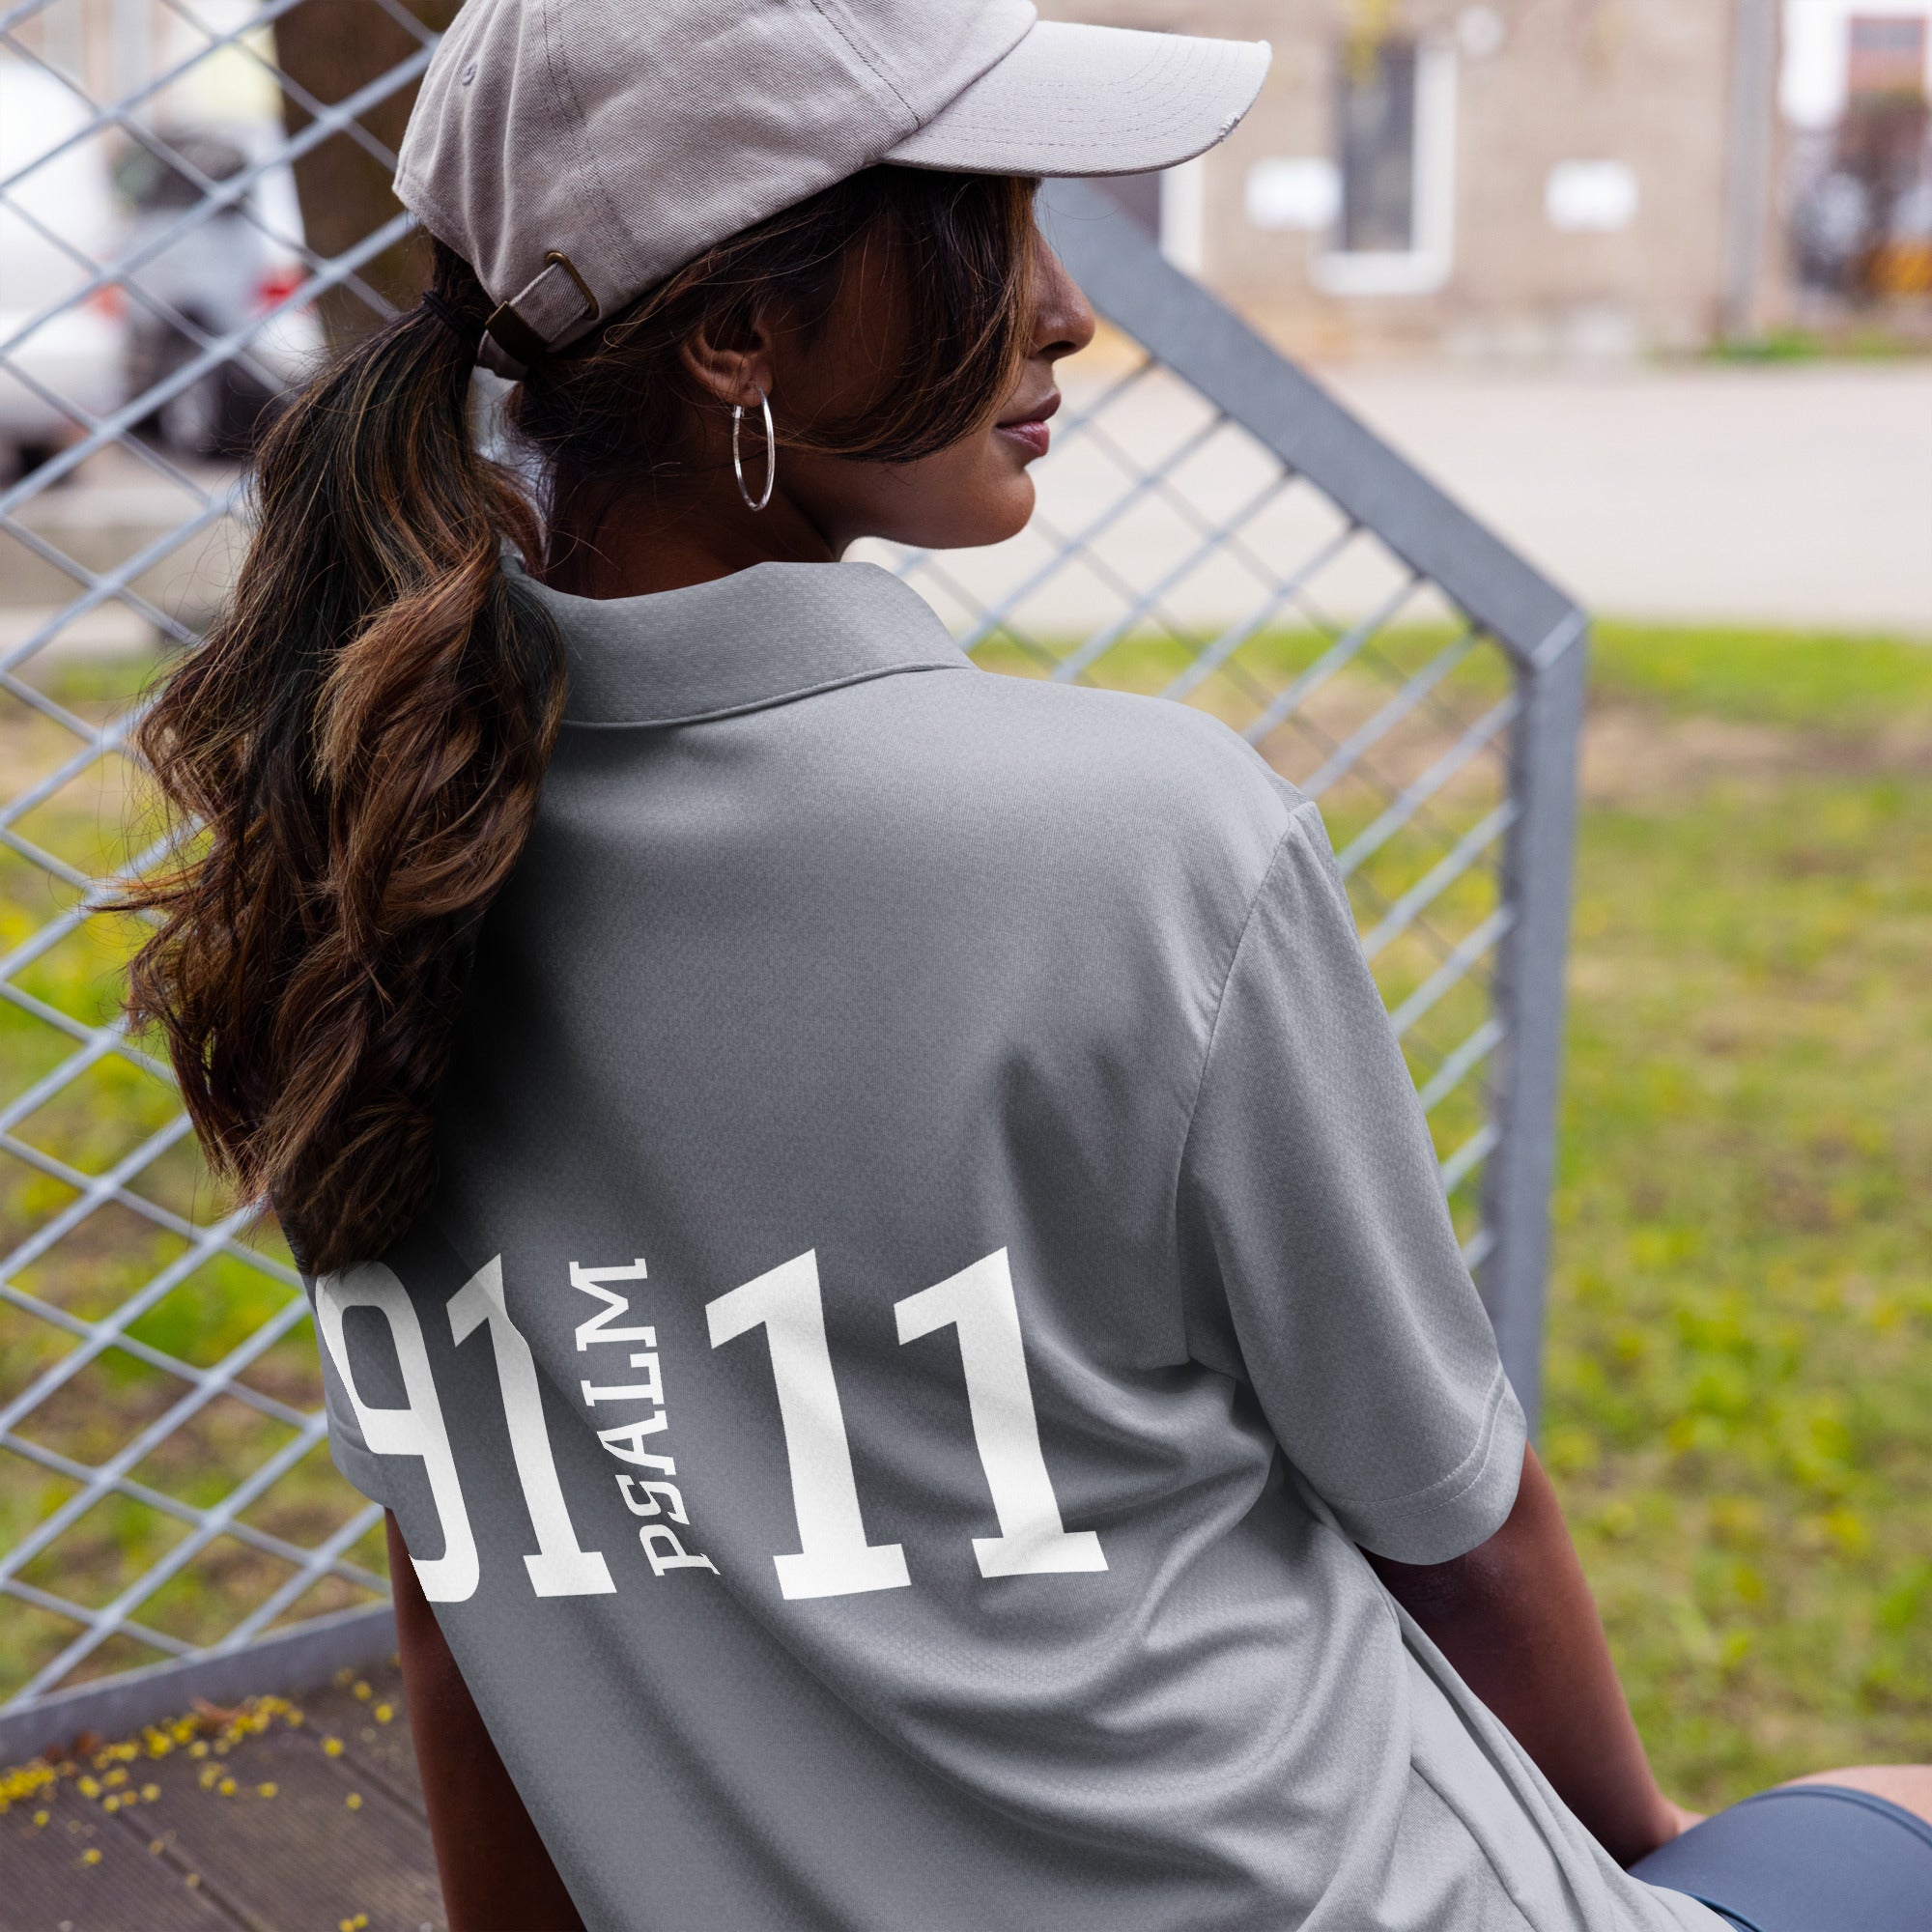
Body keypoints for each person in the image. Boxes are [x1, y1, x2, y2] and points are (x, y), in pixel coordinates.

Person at [123, 3, 1932, 1928]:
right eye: (984, 222)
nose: (1063, 306)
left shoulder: (357, 870)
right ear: (735, 332)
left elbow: (466, 1610)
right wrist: (1647, 1854)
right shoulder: (1137, 834)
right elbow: (1457, 1519)